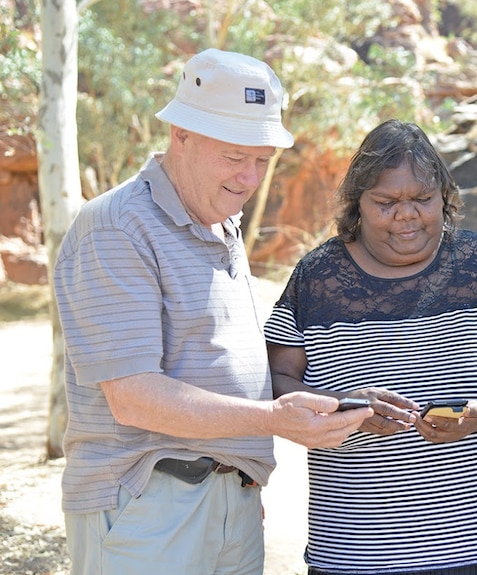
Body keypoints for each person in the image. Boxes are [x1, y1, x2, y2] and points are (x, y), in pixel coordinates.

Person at [53, 49, 372, 575]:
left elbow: (220, 365)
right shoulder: (115, 226)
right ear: (181, 134)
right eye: (233, 157)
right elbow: (134, 398)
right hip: (149, 504)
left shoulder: (221, 223)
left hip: (228, 499)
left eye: (262, 160)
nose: (248, 178)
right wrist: (273, 421)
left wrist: (328, 408)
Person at [264, 119, 477, 575]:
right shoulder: (316, 277)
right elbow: (277, 383)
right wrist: (344, 406)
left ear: (444, 195)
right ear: (357, 204)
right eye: (386, 203)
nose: (407, 215)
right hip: (357, 555)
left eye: (423, 199)